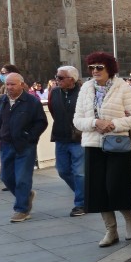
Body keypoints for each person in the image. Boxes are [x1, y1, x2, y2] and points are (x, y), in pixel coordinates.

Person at [74, 52, 131, 247]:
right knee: (98, 190)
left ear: (109, 69)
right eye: (91, 67)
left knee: (116, 185)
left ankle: (128, 218)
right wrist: (95, 122)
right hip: (93, 144)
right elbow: (77, 120)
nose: (95, 71)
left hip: (116, 145)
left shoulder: (122, 87)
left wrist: (112, 124)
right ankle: (110, 230)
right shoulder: (86, 88)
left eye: (99, 67)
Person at [0, 72, 48, 222]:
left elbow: (41, 122)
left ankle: (21, 209)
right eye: (7, 84)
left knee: (22, 178)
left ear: (21, 85)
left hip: (25, 146)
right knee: (6, 177)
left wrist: (30, 137)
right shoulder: (1, 101)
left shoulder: (31, 102)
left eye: (12, 84)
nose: (9, 87)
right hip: (6, 145)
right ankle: (26, 196)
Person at [48, 66, 86, 216]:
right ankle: (85, 193)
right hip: (60, 137)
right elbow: (52, 110)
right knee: (63, 171)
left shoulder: (83, 93)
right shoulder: (54, 92)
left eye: (61, 78)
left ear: (72, 79)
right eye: (57, 77)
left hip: (78, 138)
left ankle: (81, 203)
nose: (57, 80)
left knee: (79, 172)